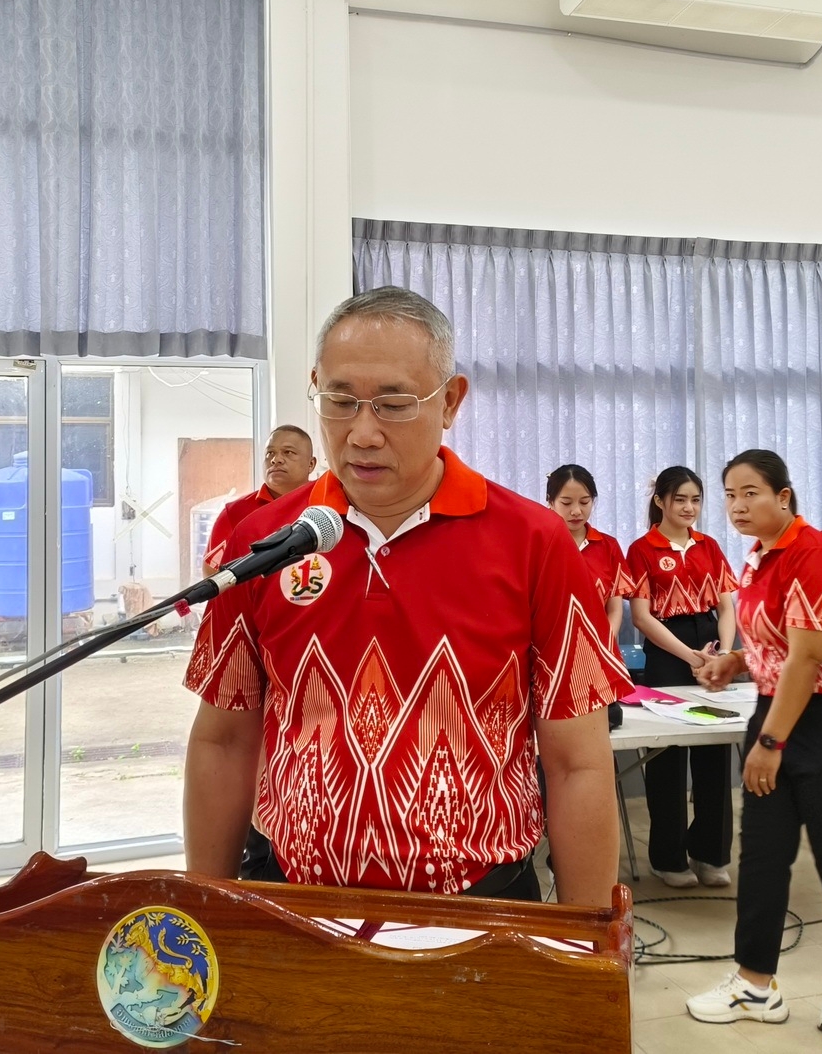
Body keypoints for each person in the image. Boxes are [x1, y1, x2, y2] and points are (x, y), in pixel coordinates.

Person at [181, 286, 632, 904]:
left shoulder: (534, 542)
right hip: (294, 902)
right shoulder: (264, 542)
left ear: (449, 402)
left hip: (482, 909)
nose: (362, 433)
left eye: (394, 404)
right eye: (339, 401)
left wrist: (587, 948)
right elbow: (224, 738)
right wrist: (202, 913)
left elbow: (578, 763)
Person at [685, 450, 822, 1040]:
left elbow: (809, 656)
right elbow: (779, 643)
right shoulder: (759, 558)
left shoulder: (814, 555)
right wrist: (735, 660)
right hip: (778, 710)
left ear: (784, 496)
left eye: (751, 492)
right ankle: (756, 984)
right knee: (764, 855)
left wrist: (770, 742)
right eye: (729, 494)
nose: (738, 505)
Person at [625, 466, 739, 889]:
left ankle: (711, 854)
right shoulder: (641, 549)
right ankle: (668, 857)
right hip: (668, 654)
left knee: (714, 754)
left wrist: (723, 653)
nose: (689, 508)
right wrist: (688, 655)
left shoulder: (709, 546)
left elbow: (726, 606)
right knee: (668, 759)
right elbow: (641, 615)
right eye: (680, 500)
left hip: (711, 647)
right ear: (660, 501)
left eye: (696, 500)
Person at [202, 425, 317, 574]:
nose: (276, 460)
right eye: (270, 453)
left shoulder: (327, 506)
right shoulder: (235, 513)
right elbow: (212, 571)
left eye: (288, 452)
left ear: (311, 464)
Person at [545, 464, 630, 643]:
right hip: (550, 648)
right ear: (550, 501)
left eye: (585, 502)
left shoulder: (608, 546)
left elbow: (615, 609)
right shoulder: (540, 546)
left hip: (600, 645)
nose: (576, 511)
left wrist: (605, 645)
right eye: (566, 503)